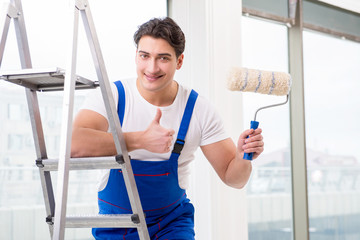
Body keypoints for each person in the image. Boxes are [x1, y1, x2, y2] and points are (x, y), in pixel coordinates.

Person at [71, 17, 264, 240]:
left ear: (179, 61)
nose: (152, 68)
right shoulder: (112, 96)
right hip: (116, 226)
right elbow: (74, 145)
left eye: (163, 58)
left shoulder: (198, 109)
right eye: (145, 56)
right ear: (136, 56)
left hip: (171, 226)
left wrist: (243, 156)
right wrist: (140, 140)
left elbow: (234, 179)